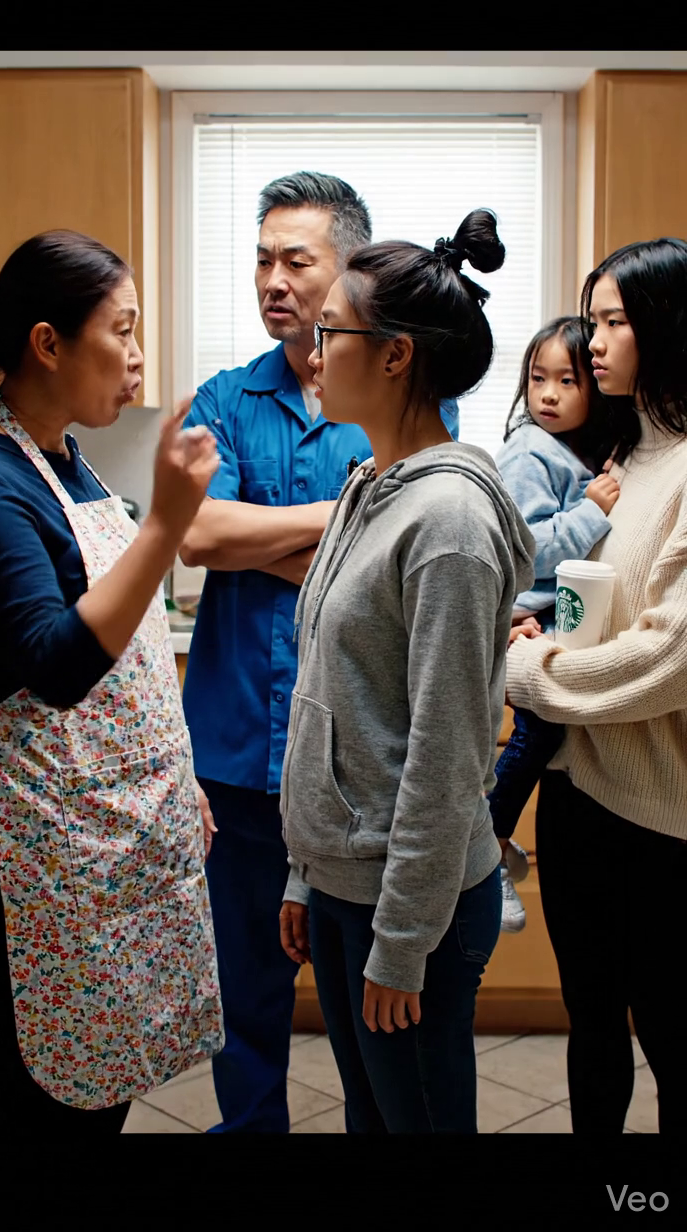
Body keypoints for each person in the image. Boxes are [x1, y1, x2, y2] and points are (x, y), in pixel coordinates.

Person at [179, 171, 459, 1135]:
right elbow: (200, 534)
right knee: (243, 1007)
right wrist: (348, 523)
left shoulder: (398, 386)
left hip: (358, 769)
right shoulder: (226, 394)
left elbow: (410, 551)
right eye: (261, 259)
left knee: (367, 1028)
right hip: (234, 764)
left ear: (352, 273)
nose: (274, 280)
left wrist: (287, 539)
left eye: (297, 260)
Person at [278, 211, 535, 1134]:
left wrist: (401, 941)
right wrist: (306, 875)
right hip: (351, 886)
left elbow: (446, 753)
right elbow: (336, 699)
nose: (311, 351)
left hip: (410, 907)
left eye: (330, 333)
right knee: (373, 1123)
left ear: (393, 357)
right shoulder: (367, 486)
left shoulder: (450, 527)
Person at [0, 230, 224, 1134]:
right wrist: (166, 524)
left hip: (101, 832)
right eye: (123, 329)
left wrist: (173, 773)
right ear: (47, 342)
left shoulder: (69, 464)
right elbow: (57, 665)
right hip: (32, 849)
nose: (139, 355)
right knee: (40, 1101)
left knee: (98, 1091)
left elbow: (137, 661)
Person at [506, 237, 687, 1136]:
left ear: (668, 324)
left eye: (615, 320)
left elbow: (669, 658)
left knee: (670, 1037)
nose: (596, 341)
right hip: (578, 791)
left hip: (661, 822)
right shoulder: (626, 461)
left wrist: (530, 669)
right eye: (596, 318)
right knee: (593, 1032)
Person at [489, 317, 619, 933]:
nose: (548, 394)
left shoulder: (573, 452)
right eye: (538, 378)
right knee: (537, 734)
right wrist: (593, 511)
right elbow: (529, 549)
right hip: (523, 612)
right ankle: (486, 846)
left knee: (547, 735)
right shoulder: (529, 451)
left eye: (567, 381)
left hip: (545, 614)